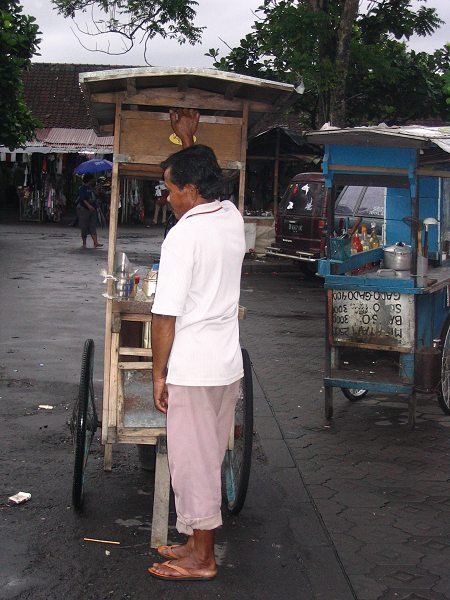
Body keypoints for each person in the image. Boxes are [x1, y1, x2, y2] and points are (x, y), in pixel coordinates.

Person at [148, 108, 246, 582]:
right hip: (225, 366)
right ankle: (192, 541)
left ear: (190, 191)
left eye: (170, 189)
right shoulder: (230, 216)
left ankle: (202, 559)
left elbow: (163, 315)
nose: (167, 198)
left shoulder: (183, 237)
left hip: (193, 368)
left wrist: (157, 374)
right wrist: (189, 137)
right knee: (208, 457)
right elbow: (206, 171)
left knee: (194, 466)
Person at [76, 173, 103, 248]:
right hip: (84, 209)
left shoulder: (92, 188)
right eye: (92, 179)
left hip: (93, 209)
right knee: (84, 226)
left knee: (93, 225)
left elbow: (96, 196)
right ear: (89, 180)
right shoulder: (82, 188)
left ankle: (95, 242)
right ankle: (84, 243)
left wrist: (97, 191)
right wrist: (89, 206)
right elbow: (83, 199)